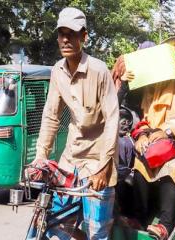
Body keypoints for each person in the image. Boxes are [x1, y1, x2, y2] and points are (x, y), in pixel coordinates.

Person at [34, 7, 119, 240]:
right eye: (61, 33)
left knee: (97, 231)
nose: (65, 39)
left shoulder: (99, 70)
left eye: (71, 33)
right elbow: (51, 115)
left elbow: (112, 118)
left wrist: (104, 165)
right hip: (70, 158)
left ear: (84, 36)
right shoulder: (57, 71)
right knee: (55, 225)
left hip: (98, 160)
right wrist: (40, 156)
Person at [112, 41, 175, 240]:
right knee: (140, 164)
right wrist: (142, 135)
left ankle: (165, 224)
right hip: (154, 139)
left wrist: (167, 131)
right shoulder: (150, 90)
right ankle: (139, 218)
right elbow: (145, 119)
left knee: (172, 165)